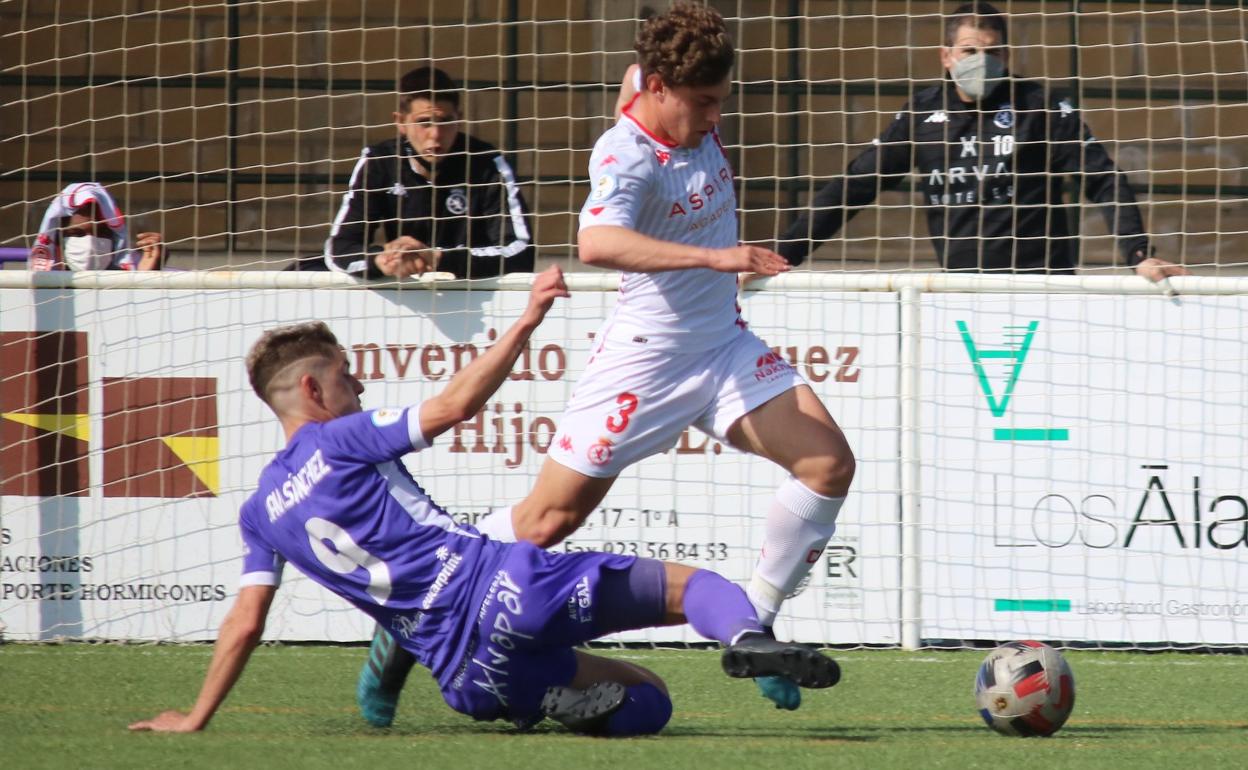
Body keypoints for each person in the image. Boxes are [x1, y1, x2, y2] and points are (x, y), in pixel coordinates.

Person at [358, 1, 856, 724]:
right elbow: (597, 243)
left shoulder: (653, 89)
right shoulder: (623, 154)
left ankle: (759, 631)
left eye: (721, 100)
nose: (716, 118)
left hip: (723, 346)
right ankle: (401, 628)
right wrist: (716, 256)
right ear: (656, 88)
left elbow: (644, 65)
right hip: (645, 363)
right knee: (544, 522)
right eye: (705, 104)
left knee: (828, 465)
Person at [126, 266, 841, 737]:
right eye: (347, 377)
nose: (360, 389)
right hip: (506, 585)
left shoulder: (259, 515)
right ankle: (748, 638)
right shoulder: (338, 440)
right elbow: (452, 406)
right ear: (313, 392)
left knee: (647, 702)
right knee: (702, 592)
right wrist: (526, 321)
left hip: (462, 671)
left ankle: (547, 696)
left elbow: (245, 622)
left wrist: (195, 716)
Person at [778, 1, 1188, 281]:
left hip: (1043, 288)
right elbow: (855, 185)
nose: (979, 61)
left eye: (990, 53)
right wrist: (785, 255)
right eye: (968, 50)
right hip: (961, 292)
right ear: (946, 56)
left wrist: (1138, 254)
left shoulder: (1040, 107)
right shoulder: (922, 114)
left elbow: (1103, 179)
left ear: (1006, 58)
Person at [324, 66, 535, 279]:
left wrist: (437, 258)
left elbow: (521, 252)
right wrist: (381, 261)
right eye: (424, 122)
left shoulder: (487, 164)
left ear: (459, 118)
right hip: (402, 293)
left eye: (445, 122)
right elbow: (338, 248)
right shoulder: (379, 162)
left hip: (471, 292)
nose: (435, 134)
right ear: (400, 122)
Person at [29, 182, 165, 271]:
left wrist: (147, 279)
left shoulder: (123, 289)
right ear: (58, 239)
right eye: (77, 234)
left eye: (101, 233)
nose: (90, 245)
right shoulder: (36, 293)